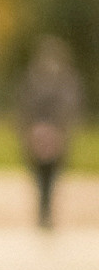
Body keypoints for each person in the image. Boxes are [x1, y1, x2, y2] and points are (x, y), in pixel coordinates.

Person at [17, 36, 83, 231]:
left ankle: (45, 213)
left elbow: (69, 108)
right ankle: (44, 213)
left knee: (50, 178)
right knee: (42, 178)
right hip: (42, 135)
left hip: (52, 135)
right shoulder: (38, 80)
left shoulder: (60, 81)